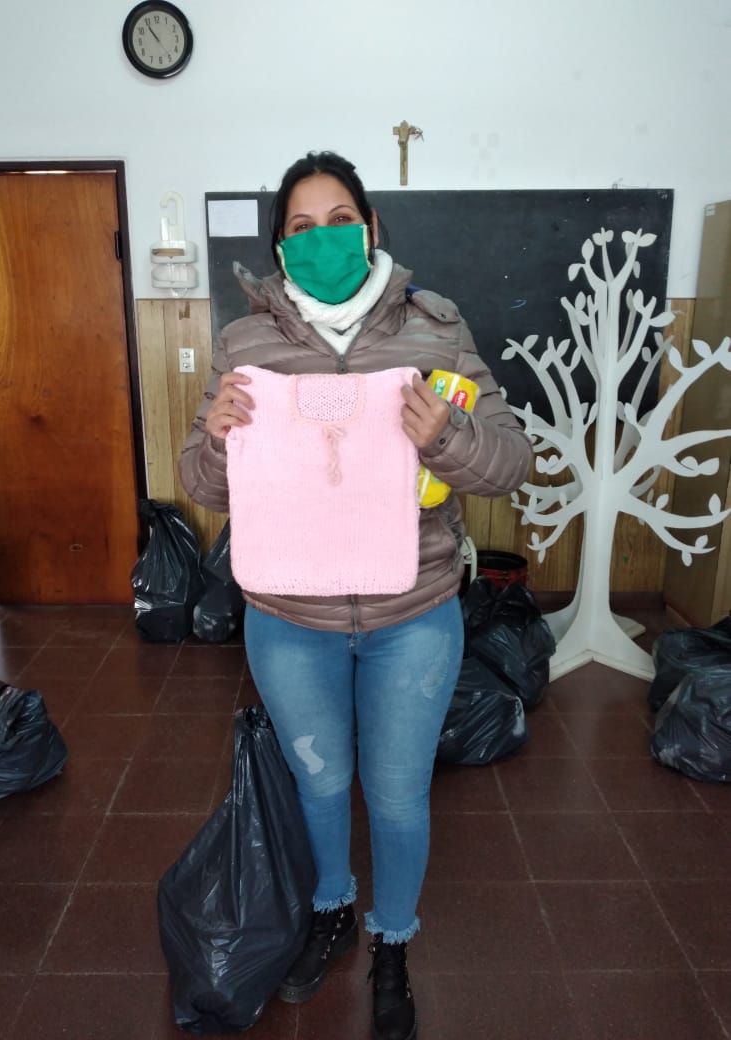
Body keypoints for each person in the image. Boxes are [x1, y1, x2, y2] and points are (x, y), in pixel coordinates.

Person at [179, 151, 532, 1040]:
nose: (323, 238)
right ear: (280, 247)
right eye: (301, 227)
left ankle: (393, 940)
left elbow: (509, 461)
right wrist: (216, 439)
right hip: (289, 618)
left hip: (412, 614)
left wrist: (447, 434)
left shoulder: (436, 329)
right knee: (321, 779)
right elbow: (204, 483)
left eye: (340, 219)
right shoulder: (245, 345)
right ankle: (332, 905)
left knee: (399, 793)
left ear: (371, 228)